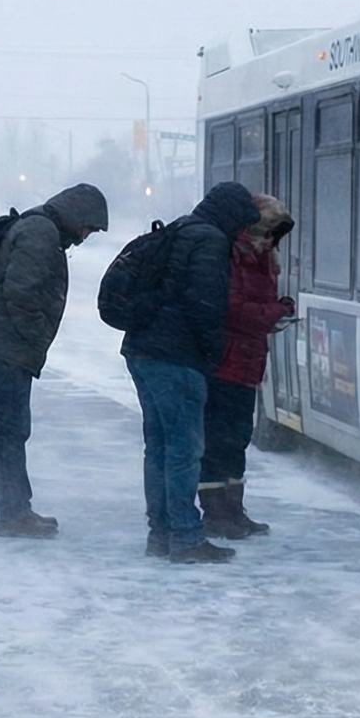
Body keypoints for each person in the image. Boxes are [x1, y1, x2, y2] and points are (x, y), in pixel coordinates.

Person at [121, 180, 264, 563]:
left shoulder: (181, 228)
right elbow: (205, 305)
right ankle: (185, 537)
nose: (243, 234)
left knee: (159, 448)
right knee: (185, 451)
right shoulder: (209, 242)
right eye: (242, 225)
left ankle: (161, 533)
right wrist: (209, 353)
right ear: (231, 218)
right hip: (175, 357)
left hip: (142, 350)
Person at [0, 182, 110, 538]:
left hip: (1, 341)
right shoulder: (41, 232)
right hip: (4, 344)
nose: (87, 235)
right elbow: (22, 292)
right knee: (11, 431)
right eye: (88, 226)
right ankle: (12, 513)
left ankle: (14, 509)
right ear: (75, 215)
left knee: (10, 430)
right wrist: (36, 335)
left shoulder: (40, 228)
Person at [199, 193, 295, 539]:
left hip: (248, 364)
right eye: (269, 231)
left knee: (238, 438)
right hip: (225, 363)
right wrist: (275, 312)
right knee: (217, 440)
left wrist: (274, 309)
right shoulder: (233, 257)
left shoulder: (262, 259)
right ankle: (215, 512)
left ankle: (233, 509)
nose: (272, 240)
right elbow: (233, 309)